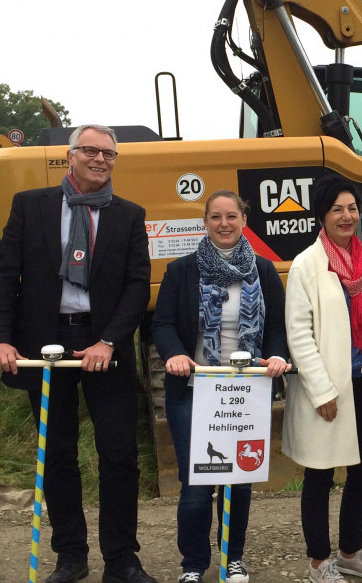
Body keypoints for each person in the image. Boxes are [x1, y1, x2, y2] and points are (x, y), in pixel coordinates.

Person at [0, 124, 154, 583]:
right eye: (91, 151)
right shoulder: (30, 206)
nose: (100, 160)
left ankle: (121, 559)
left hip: (105, 347)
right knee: (56, 453)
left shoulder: (129, 215)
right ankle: (70, 555)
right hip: (44, 347)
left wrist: (110, 341)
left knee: (119, 453)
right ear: (70, 155)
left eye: (109, 154)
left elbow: (137, 287)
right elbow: (4, 277)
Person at [151, 189, 290, 583]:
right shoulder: (182, 271)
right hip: (194, 391)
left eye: (232, 216)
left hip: (246, 394)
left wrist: (277, 354)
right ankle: (193, 565)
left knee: (238, 479)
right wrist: (175, 354)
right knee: (196, 483)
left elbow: (278, 326)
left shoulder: (264, 270)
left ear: (244, 220)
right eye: (215, 217)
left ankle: (233, 559)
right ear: (205, 222)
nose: (224, 224)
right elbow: (161, 325)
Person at [282, 176, 362, 583]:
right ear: (322, 215)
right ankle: (317, 562)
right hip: (327, 387)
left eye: (352, 208)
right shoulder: (307, 265)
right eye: (336, 210)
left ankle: (350, 552)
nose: (346, 217)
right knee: (320, 474)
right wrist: (321, 390)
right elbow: (299, 333)